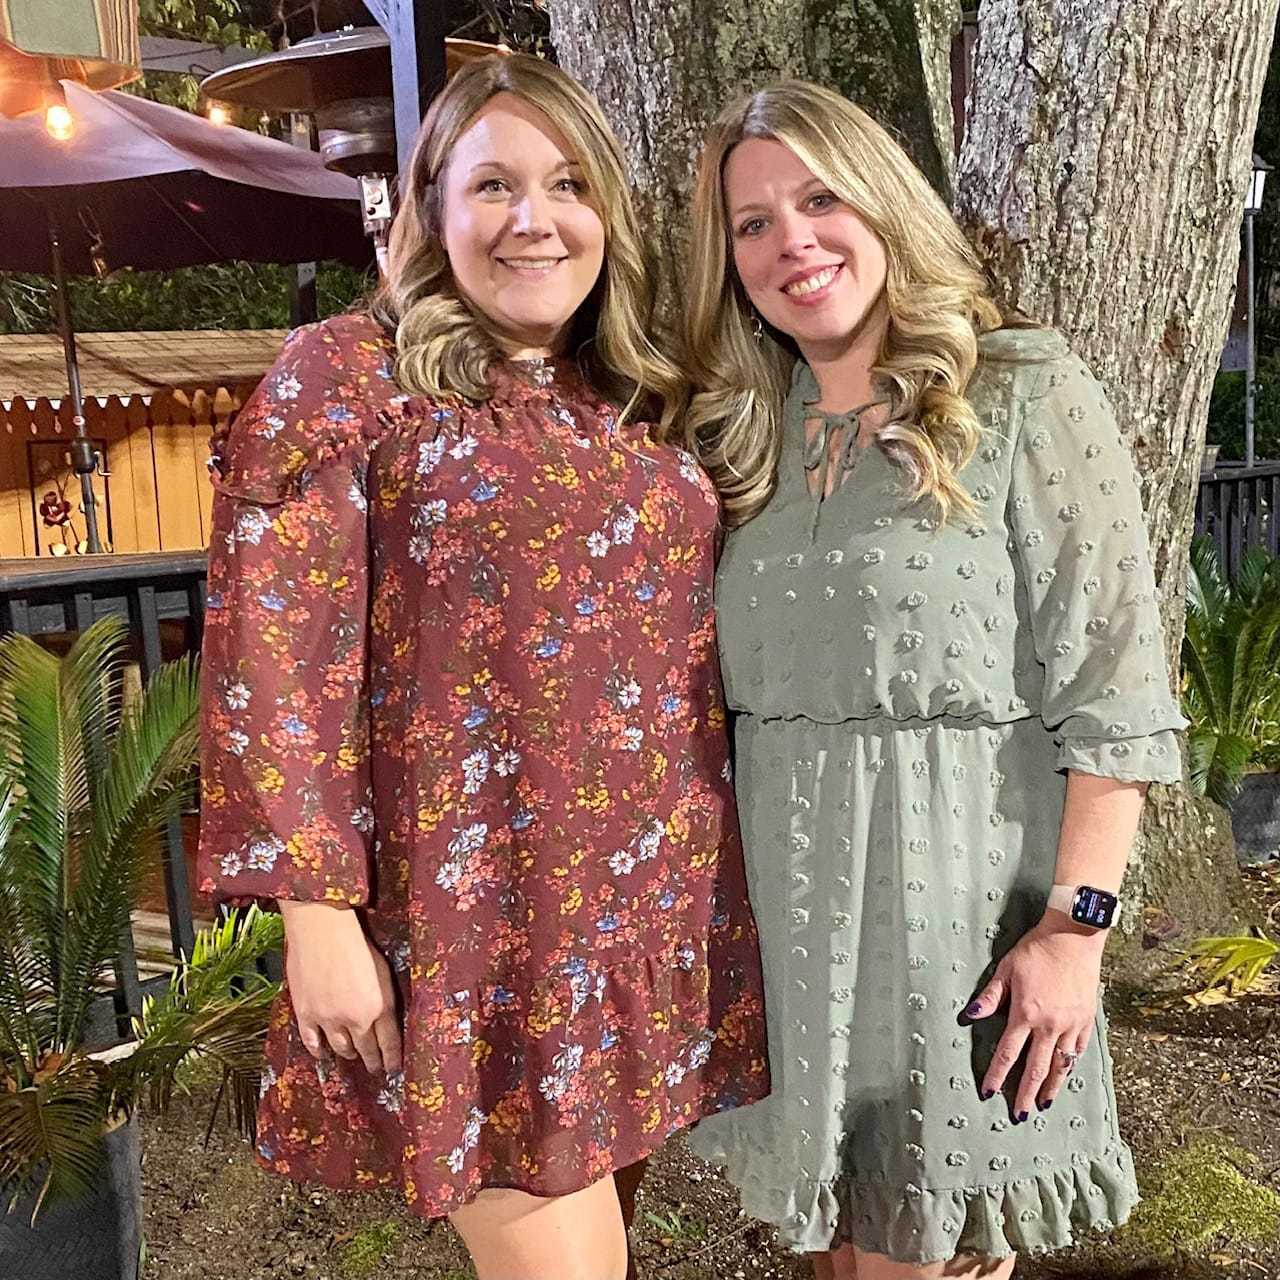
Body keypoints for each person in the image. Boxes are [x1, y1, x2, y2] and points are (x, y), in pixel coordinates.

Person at [196, 53, 768, 1280]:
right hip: (472, 931)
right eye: (493, 183)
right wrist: (316, 917)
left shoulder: (632, 393)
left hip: (641, 916)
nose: (533, 217)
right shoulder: (350, 377)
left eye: (566, 183)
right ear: (429, 209)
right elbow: (273, 663)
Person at [676, 79, 1187, 1280]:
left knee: (933, 1259)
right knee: (839, 1257)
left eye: (817, 197)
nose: (789, 241)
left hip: (957, 928)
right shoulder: (744, 430)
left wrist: (1075, 933)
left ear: (884, 204)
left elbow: (1113, 692)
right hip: (791, 928)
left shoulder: (1018, 390)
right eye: (750, 222)